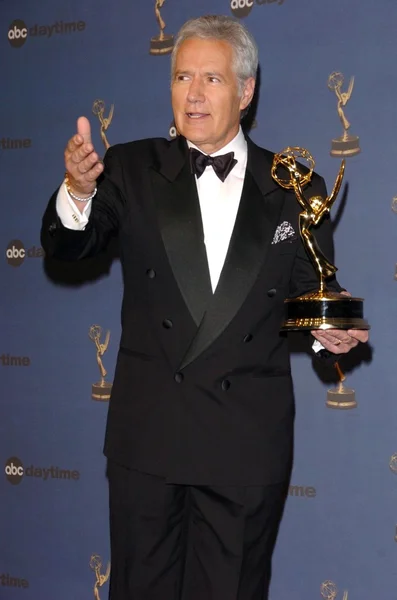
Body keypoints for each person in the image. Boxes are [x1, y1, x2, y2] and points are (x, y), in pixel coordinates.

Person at [41, 15, 368, 600]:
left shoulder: (295, 186)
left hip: (243, 443)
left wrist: (328, 332)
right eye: (181, 76)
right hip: (150, 442)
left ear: (246, 91)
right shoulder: (130, 170)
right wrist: (79, 191)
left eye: (211, 79)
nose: (192, 94)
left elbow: (310, 291)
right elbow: (69, 247)